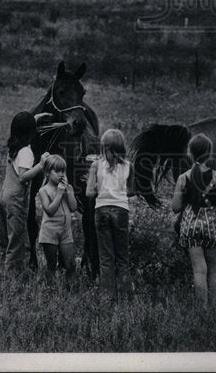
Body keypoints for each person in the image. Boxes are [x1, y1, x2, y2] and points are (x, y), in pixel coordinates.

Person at [171, 133, 216, 308]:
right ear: (210, 153)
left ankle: (201, 310)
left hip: (190, 226)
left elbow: (175, 207)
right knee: (212, 271)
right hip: (211, 226)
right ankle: (214, 307)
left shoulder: (183, 177)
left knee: (198, 270)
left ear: (190, 153)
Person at [85, 128, 135, 302]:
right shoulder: (129, 166)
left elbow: (89, 193)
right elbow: (131, 191)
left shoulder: (95, 165)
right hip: (121, 211)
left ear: (103, 146)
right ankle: (125, 298)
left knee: (106, 258)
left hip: (101, 210)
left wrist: (98, 186)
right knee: (123, 257)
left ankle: (107, 298)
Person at [0, 112, 49, 273]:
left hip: (4, 196)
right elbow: (22, 177)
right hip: (16, 200)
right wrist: (41, 165)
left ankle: (5, 269)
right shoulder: (26, 152)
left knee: (6, 239)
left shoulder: (14, 145)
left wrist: (35, 118)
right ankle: (13, 278)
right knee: (17, 241)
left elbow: (22, 126)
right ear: (31, 132)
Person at [36, 153, 78, 286]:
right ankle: (51, 289)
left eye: (63, 171)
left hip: (66, 231)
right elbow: (49, 210)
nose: (61, 174)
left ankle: (69, 288)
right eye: (57, 171)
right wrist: (59, 194)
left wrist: (69, 191)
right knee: (51, 264)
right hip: (50, 231)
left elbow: (73, 207)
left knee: (70, 263)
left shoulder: (67, 188)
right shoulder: (44, 190)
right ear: (48, 172)